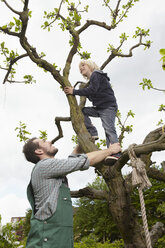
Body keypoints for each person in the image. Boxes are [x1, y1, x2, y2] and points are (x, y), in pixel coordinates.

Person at [23, 137, 121, 248]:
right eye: (44, 141)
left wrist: (80, 145)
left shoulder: (51, 169)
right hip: (47, 242)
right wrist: (110, 150)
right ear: (39, 151)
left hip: (59, 240)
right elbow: (83, 161)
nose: (50, 141)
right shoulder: (44, 166)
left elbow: (70, 162)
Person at [64, 59, 121, 164]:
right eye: (79, 68)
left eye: (83, 65)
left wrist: (74, 91)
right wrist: (78, 91)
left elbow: (92, 90)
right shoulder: (93, 80)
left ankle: (116, 153)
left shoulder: (96, 74)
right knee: (82, 111)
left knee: (109, 129)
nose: (81, 68)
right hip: (100, 108)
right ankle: (92, 132)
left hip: (108, 106)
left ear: (90, 65)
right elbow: (91, 93)